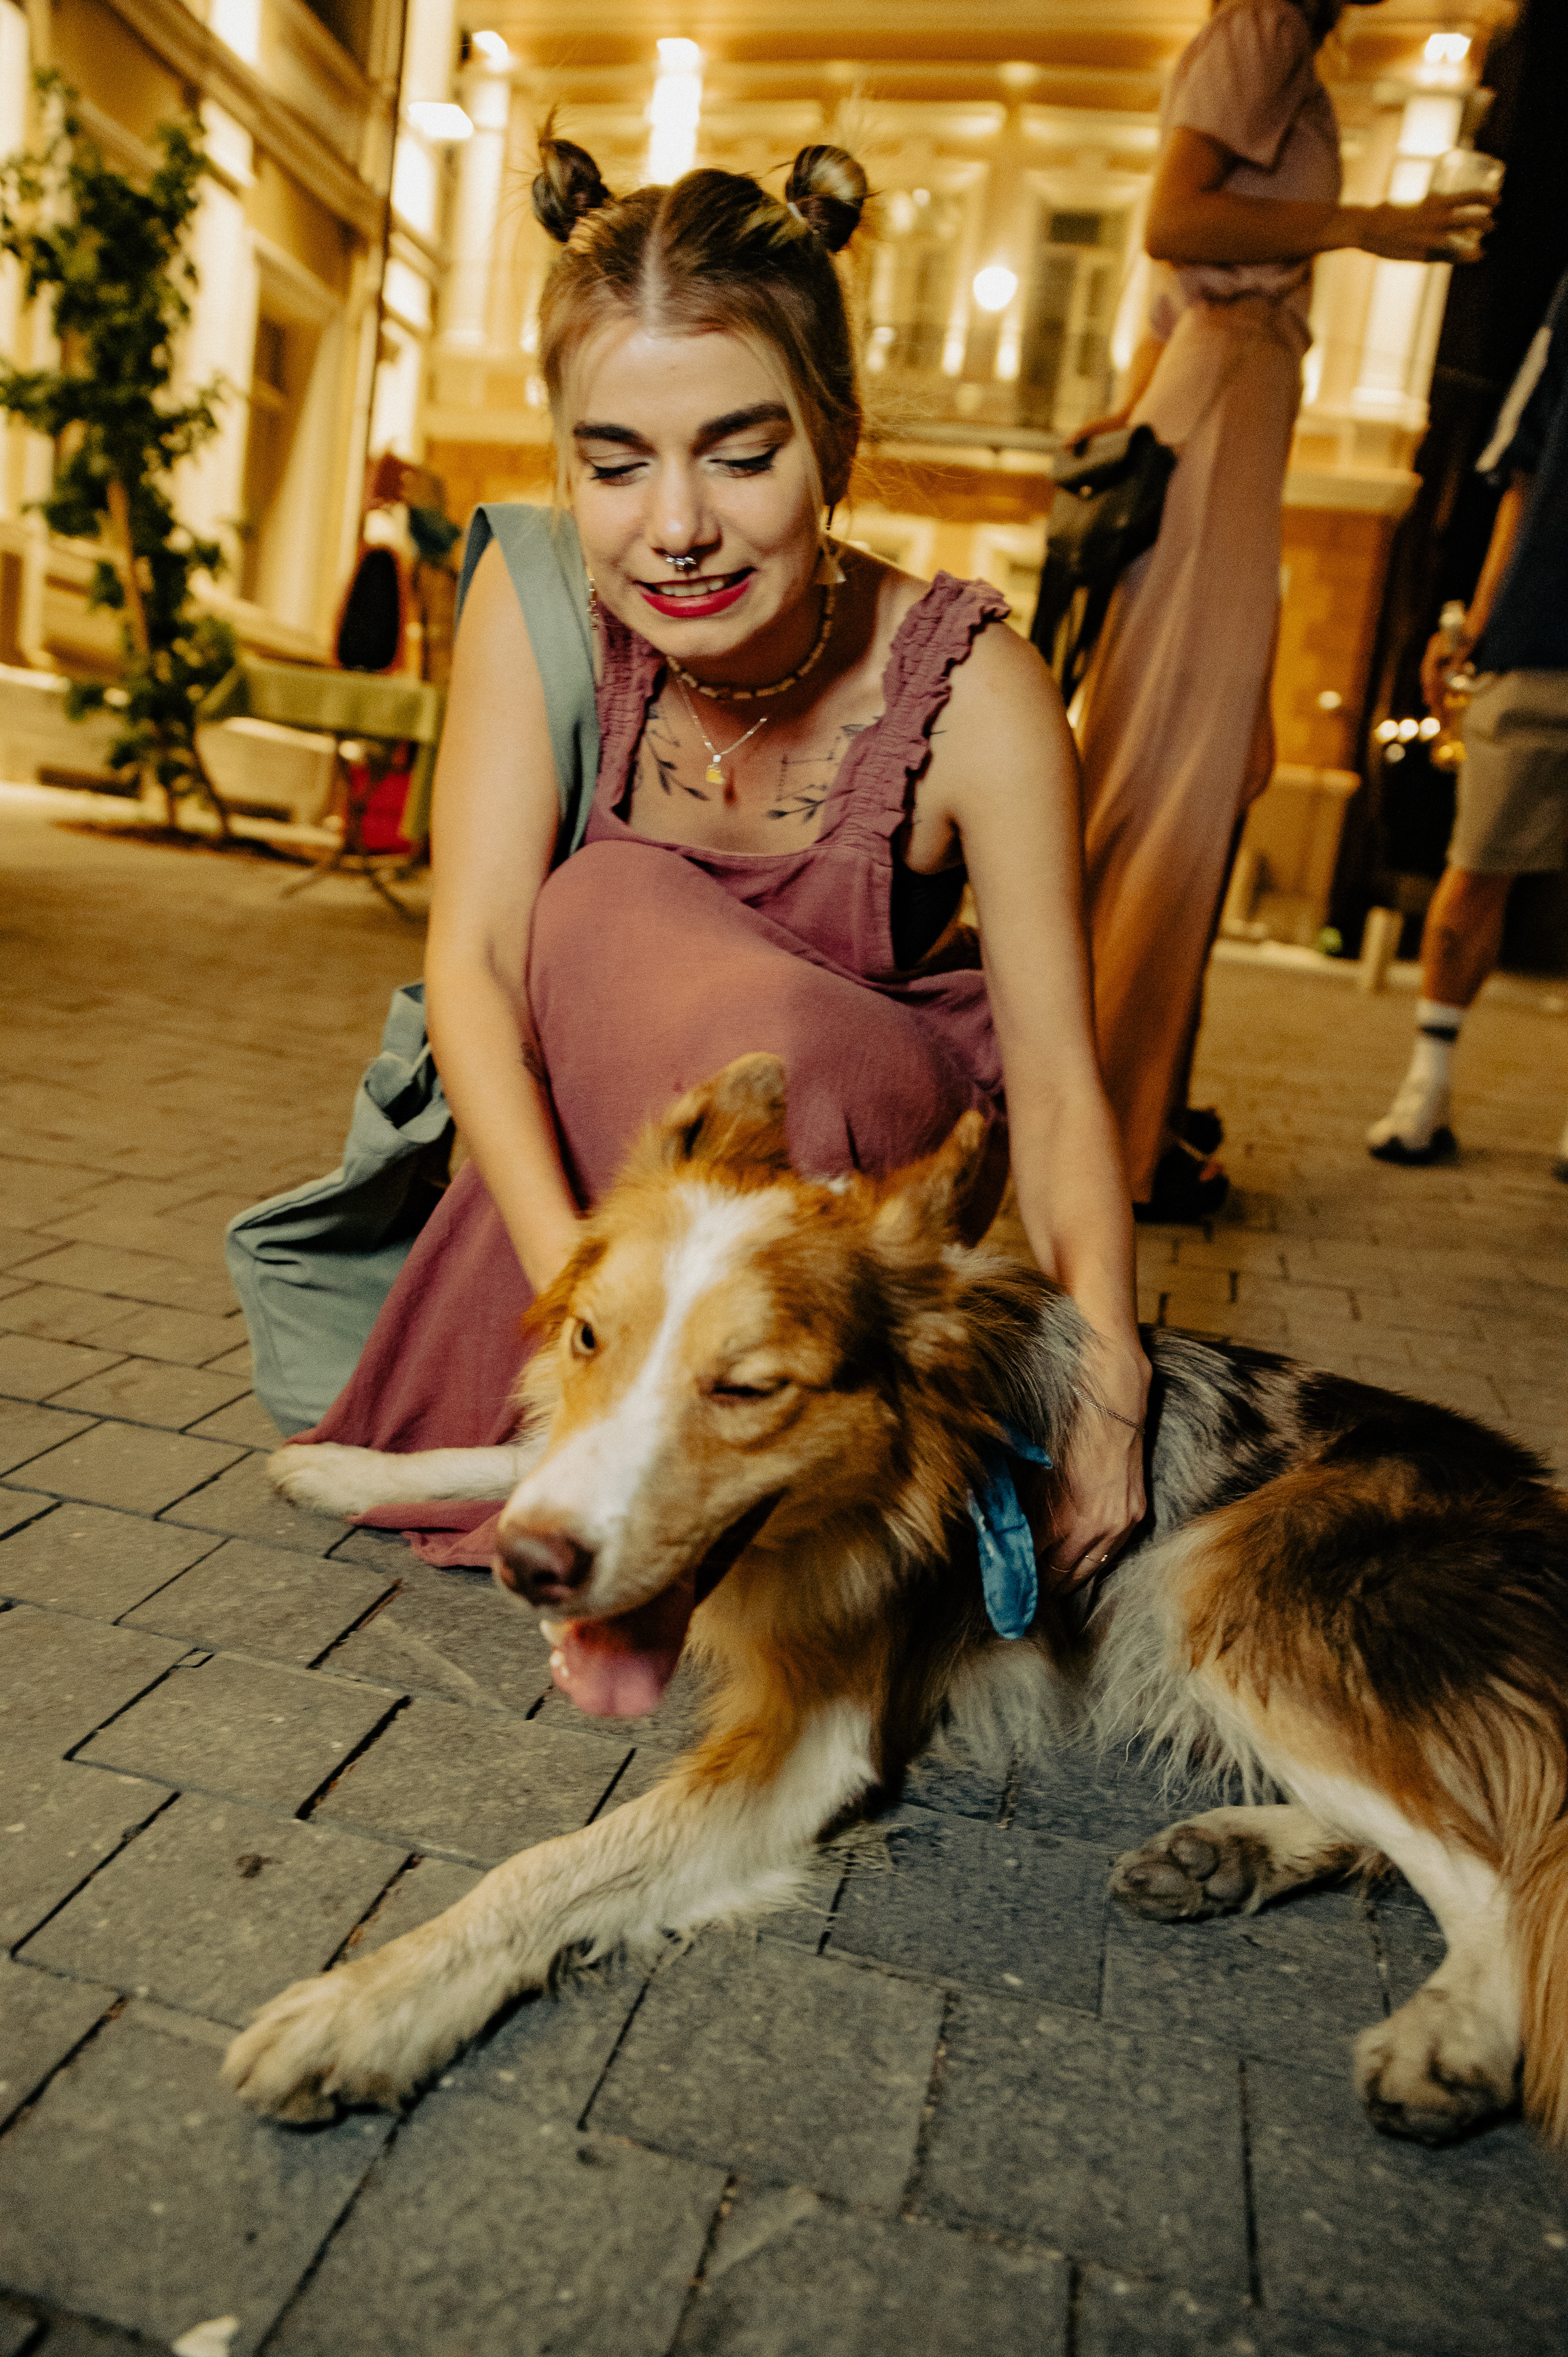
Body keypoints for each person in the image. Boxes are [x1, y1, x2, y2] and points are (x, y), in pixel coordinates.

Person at [292, 137, 1151, 1591]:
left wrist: (1109, 1383)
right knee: (598, 903)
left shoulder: (982, 697)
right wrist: (589, 1325)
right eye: (614, 465)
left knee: (760, 1021)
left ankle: (738, 1468)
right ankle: (567, 1439)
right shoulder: (536, 590)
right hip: (578, 1230)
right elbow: (478, 962)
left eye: (742, 456)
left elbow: (1062, 1084)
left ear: (832, 433)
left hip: (819, 1238)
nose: (679, 527)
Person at [1070, 0, 1495, 1221]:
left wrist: (1131, 405)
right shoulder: (1262, 20)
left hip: (1223, 389)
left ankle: (1134, 1095)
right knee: (1178, 790)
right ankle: (1115, 1133)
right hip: (1232, 384)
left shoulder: (1278, 37)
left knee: (1196, 770)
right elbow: (1176, 220)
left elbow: (1166, 280)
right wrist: (1372, 225)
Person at [1367, 268, 1568, 1167]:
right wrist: (1473, 624)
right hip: (1539, 629)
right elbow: (1522, 463)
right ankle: (1426, 1090)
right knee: (1475, 864)